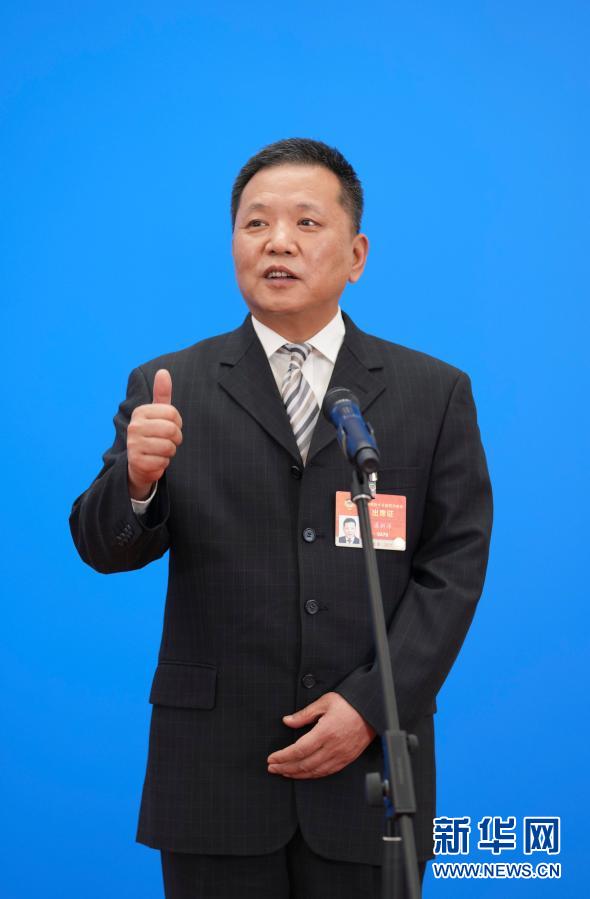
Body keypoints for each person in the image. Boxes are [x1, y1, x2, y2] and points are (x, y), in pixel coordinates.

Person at [69, 137, 493, 898]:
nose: (278, 242)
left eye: (306, 222)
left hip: (369, 774)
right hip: (213, 774)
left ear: (356, 254)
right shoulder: (170, 386)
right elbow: (105, 547)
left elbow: (453, 568)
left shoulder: (433, 392)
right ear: (234, 244)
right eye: (256, 223)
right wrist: (136, 479)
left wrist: (372, 707)